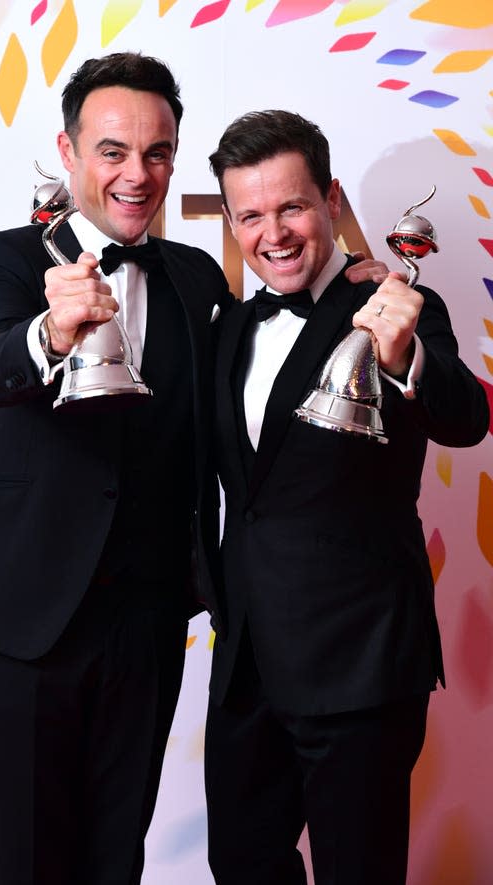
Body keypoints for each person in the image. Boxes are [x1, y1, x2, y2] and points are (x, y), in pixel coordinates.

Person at [0, 52, 232, 884]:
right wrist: (48, 333)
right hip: (24, 614)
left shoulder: (194, 276)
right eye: (114, 151)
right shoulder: (4, 257)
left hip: (149, 619)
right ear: (71, 151)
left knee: (118, 853)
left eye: (158, 152)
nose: (137, 173)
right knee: (33, 854)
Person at [203, 109, 490, 885]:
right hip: (248, 666)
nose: (275, 233)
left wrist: (405, 352)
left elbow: (465, 417)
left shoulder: (398, 303)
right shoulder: (230, 326)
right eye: (251, 215)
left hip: (358, 664)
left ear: (331, 201)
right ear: (230, 221)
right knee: (240, 861)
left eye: (291, 206)